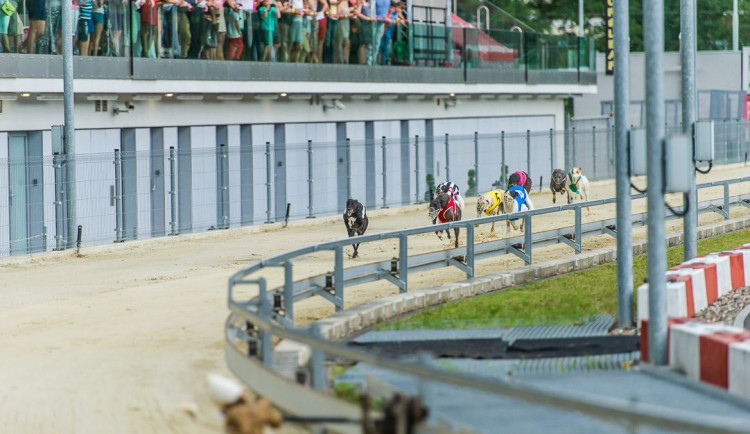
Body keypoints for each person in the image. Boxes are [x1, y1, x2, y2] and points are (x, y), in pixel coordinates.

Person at [353, 0, 371, 64]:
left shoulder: (371, 3)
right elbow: (357, 13)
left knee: (368, 44)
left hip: (370, 25)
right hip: (363, 24)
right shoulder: (361, 2)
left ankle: (367, 61)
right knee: (362, 43)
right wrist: (367, 18)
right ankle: (361, 61)